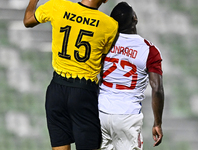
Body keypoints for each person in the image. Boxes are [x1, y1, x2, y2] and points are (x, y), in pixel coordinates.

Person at [23, 0, 118, 150]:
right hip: (84, 91)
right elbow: (103, 62)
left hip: (56, 89)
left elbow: (28, 21)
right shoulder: (110, 25)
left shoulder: (58, 6)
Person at [98, 2, 164, 150]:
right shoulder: (149, 50)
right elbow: (157, 88)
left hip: (100, 111)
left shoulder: (104, 42)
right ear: (135, 18)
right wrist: (157, 122)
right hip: (127, 115)